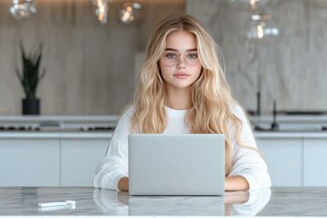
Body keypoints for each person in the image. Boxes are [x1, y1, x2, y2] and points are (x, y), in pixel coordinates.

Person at [93, 14, 271, 191]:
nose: (181, 64)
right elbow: (107, 173)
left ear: (204, 61)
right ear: (157, 61)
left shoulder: (228, 113)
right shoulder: (136, 115)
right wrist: (145, 185)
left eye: (192, 55)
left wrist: (206, 185)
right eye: (171, 55)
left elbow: (257, 174)